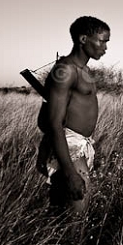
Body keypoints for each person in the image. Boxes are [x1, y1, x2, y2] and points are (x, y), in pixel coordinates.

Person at [36, 16, 110, 213]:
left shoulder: (82, 70)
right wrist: (69, 172)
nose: (105, 47)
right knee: (76, 221)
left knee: (65, 213)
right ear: (83, 39)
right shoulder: (66, 70)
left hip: (81, 144)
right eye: (102, 41)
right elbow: (52, 123)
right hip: (69, 146)